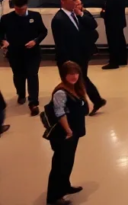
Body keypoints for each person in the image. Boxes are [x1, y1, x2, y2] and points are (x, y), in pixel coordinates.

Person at [51, 0, 105, 112]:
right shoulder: (59, 19)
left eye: (77, 1)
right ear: (63, 2)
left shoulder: (77, 14)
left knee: (80, 79)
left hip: (81, 55)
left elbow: (92, 26)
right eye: (73, 1)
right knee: (76, 81)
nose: (76, 3)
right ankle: (89, 103)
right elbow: (60, 42)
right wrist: (67, 61)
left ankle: (88, 103)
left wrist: (80, 14)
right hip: (69, 57)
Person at [46, 61, 89, 205]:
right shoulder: (61, 92)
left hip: (73, 133)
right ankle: (54, 197)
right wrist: (68, 130)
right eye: (70, 74)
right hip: (64, 134)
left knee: (67, 162)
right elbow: (59, 113)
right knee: (60, 164)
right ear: (64, 75)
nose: (74, 76)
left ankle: (65, 186)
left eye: (76, 73)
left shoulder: (75, 88)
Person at [0, 0, 47, 116]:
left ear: (26, 6)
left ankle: (33, 101)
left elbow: (43, 31)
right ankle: (21, 94)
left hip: (32, 52)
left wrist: (35, 41)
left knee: (32, 75)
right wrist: (3, 41)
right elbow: (0, 34)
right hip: (15, 53)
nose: (20, 11)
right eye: (17, 8)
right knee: (18, 75)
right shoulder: (6, 18)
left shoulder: (35, 16)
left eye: (22, 8)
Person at [101, 0, 128, 69]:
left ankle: (114, 62)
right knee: (120, 41)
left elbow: (110, 10)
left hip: (113, 23)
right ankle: (122, 59)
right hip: (119, 22)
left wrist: (103, 12)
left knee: (113, 43)